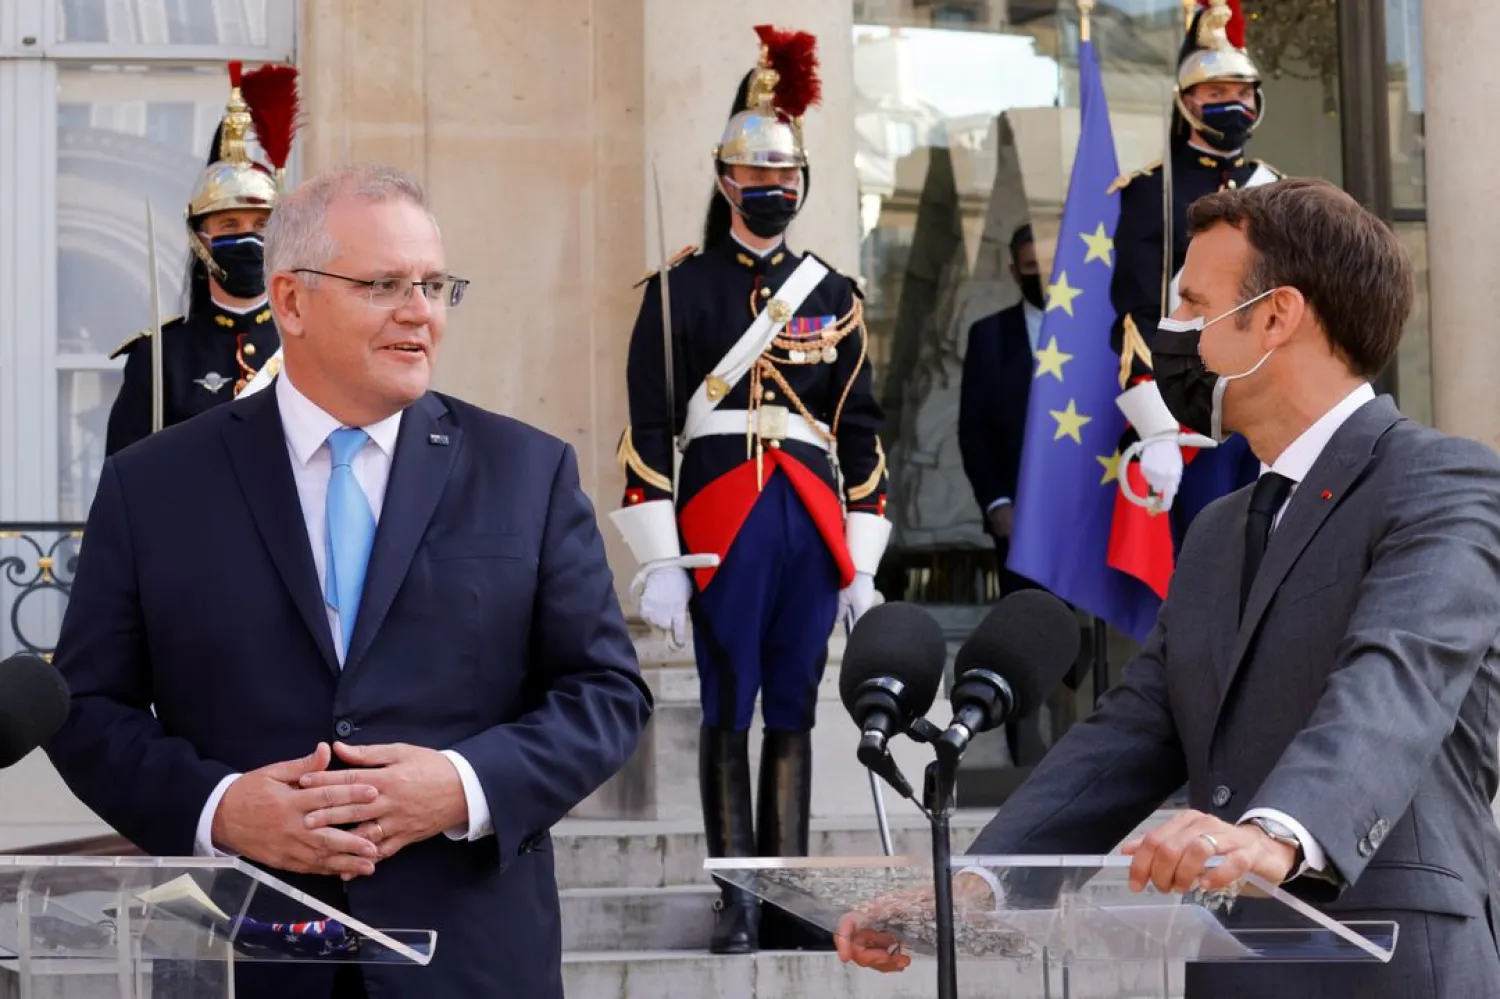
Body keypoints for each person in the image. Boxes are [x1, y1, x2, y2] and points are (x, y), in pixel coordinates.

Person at [837, 179, 1500, 997]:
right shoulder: (1219, 528)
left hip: (1390, 959)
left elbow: (1396, 678)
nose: (1170, 332)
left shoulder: (1440, 480)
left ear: (1276, 316)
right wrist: (976, 885)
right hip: (1233, 961)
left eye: (1193, 303)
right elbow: (1136, 726)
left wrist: (1276, 833)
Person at [44, 164, 653, 999]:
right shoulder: (153, 485)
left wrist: (462, 785)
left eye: (434, 285)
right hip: (242, 959)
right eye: (383, 285)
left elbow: (606, 694)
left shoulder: (527, 471)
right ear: (290, 301)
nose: (419, 311)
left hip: (468, 963)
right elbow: (84, 707)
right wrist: (221, 807)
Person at [610, 25, 890, 955]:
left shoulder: (835, 294)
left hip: (809, 520)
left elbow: (861, 432)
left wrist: (863, 556)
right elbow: (648, 432)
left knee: (796, 705)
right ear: (725, 179)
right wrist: (660, 558)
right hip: (720, 517)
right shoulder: (678, 291)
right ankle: (737, 897)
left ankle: (791, 897)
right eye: (755, 171)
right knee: (729, 703)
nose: (772, 185)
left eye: (784, 172)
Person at [1110, 0, 1278, 541]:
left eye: (1242, 93)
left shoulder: (1274, 187)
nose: (1233, 104)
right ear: (1186, 102)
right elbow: (1137, 311)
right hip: (1192, 406)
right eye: (1216, 93)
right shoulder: (1150, 190)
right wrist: (1158, 427)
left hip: (1271, 401)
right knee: (1209, 560)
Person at [106, 61, 295, 455]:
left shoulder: (307, 344)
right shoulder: (160, 356)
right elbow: (125, 478)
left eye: (261, 224)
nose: (247, 236)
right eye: (229, 224)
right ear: (199, 238)